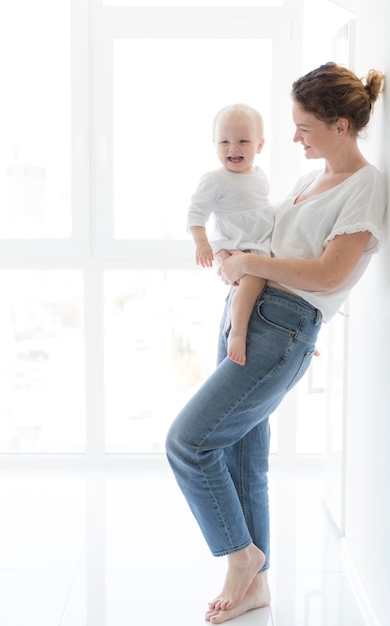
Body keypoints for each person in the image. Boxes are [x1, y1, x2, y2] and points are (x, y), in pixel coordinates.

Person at [166, 62, 387, 624]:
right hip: (255, 308)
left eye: (304, 127)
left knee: (188, 443)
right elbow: (263, 243)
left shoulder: (367, 186)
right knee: (243, 455)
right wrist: (232, 264)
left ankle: (242, 556)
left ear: (340, 126)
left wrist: (251, 266)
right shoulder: (307, 181)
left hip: (282, 321)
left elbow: (331, 274)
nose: (293, 138)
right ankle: (256, 587)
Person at [187, 103, 273, 365]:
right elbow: (195, 213)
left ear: (259, 145)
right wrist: (202, 243)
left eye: (243, 141)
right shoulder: (215, 179)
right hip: (233, 243)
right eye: (224, 142)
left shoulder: (260, 176)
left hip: (257, 243)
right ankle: (238, 331)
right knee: (251, 282)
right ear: (214, 145)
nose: (233, 148)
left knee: (267, 277)